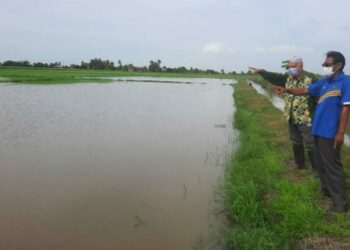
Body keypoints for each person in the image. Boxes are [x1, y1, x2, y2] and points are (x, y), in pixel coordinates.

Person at [275, 51, 350, 213]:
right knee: (320, 163)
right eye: (324, 64)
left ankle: (340, 205)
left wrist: (340, 133)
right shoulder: (324, 83)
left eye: (327, 64)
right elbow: (304, 90)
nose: (324, 66)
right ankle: (327, 191)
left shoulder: (345, 83)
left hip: (330, 133)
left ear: (338, 66)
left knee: (332, 167)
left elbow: (345, 110)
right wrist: (287, 90)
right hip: (316, 130)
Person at [249, 58, 318, 174]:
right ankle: (299, 164)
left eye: (293, 66)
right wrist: (261, 71)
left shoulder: (311, 80)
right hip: (291, 116)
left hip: (306, 118)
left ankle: (317, 170)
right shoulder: (287, 79)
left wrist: (315, 116)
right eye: (290, 67)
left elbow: (318, 100)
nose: (291, 69)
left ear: (301, 66)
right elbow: (274, 77)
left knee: (311, 144)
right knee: (296, 141)